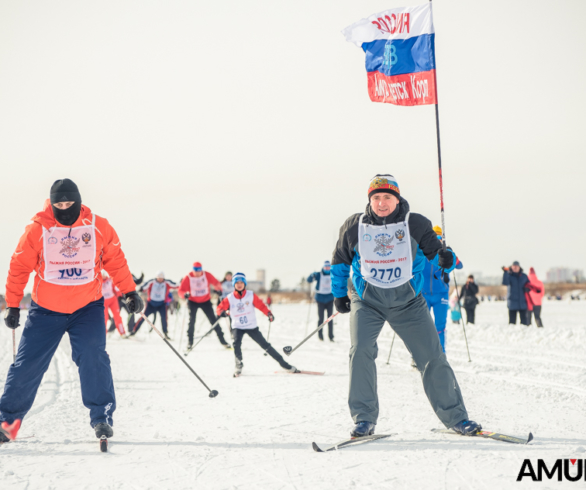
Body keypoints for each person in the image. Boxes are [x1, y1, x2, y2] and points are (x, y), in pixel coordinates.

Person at [331, 174, 479, 437]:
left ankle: (456, 417)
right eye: (376, 198)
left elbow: (439, 255)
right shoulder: (355, 226)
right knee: (361, 350)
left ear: (397, 199)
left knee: (432, 356)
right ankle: (364, 419)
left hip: (408, 303)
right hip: (367, 302)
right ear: (370, 201)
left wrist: (447, 258)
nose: (381, 203)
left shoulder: (416, 223)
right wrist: (339, 294)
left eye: (387, 197)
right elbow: (339, 261)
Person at [0, 178, 143, 444]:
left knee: (93, 357)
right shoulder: (37, 230)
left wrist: (129, 291)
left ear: (78, 201)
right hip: (45, 310)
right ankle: (7, 422)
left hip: (87, 307)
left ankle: (102, 418)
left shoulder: (98, 226)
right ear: (52, 204)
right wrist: (12, 304)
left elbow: (115, 259)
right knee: (27, 365)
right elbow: (19, 266)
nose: (64, 208)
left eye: (69, 203)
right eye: (59, 204)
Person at [216, 273, 298, 377]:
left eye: (241, 282)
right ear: (234, 284)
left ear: (245, 283)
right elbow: (219, 308)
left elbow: (261, 305)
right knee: (236, 344)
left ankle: (284, 364)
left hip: (251, 326)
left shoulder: (250, 295)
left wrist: (268, 313)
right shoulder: (230, 297)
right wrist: (223, 313)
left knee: (265, 345)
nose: (239, 284)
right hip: (237, 326)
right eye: (237, 283)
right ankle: (238, 365)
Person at [421, 226, 463, 352]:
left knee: (440, 326)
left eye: (440, 237)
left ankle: (441, 354)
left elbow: (459, 265)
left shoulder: (445, 253)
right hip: (423, 294)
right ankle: (420, 355)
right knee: (422, 326)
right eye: (435, 237)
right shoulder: (423, 251)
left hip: (441, 295)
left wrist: (451, 254)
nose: (437, 240)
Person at [178, 262, 229, 350]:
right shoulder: (188, 277)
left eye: (199, 271)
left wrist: (218, 290)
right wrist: (184, 294)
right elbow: (181, 291)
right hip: (192, 301)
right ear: (193, 270)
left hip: (205, 301)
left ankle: (223, 341)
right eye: (195, 271)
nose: (197, 273)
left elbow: (216, 283)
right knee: (192, 321)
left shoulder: (206, 275)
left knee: (213, 320)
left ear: (201, 270)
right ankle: (190, 342)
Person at [131, 271, 178, 339]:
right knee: (143, 317)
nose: (160, 279)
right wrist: (141, 289)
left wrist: (181, 282)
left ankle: (165, 333)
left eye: (161, 278)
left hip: (162, 304)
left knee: (164, 319)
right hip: (151, 304)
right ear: (156, 277)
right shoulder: (152, 282)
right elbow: (144, 286)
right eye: (159, 278)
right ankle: (134, 330)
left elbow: (176, 285)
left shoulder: (167, 282)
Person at [306, 261, 335, 341]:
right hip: (320, 300)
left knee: (330, 318)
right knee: (321, 319)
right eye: (326, 267)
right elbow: (309, 280)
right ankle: (320, 336)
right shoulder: (318, 275)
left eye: (329, 267)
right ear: (323, 267)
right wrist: (312, 275)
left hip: (329, 299)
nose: (327, 269)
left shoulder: (332, 274)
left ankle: (331, 336)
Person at [102, 270, 126, 336]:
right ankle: (103, 334)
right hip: (103, 302)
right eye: (102, 275)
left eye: (104, 275)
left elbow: (115, 288)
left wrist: (120, 295)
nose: (103, 276)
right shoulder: (97, 282)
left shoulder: (110, 280)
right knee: (105, 318)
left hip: (113, 300)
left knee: (117, 316)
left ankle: (122, 332)